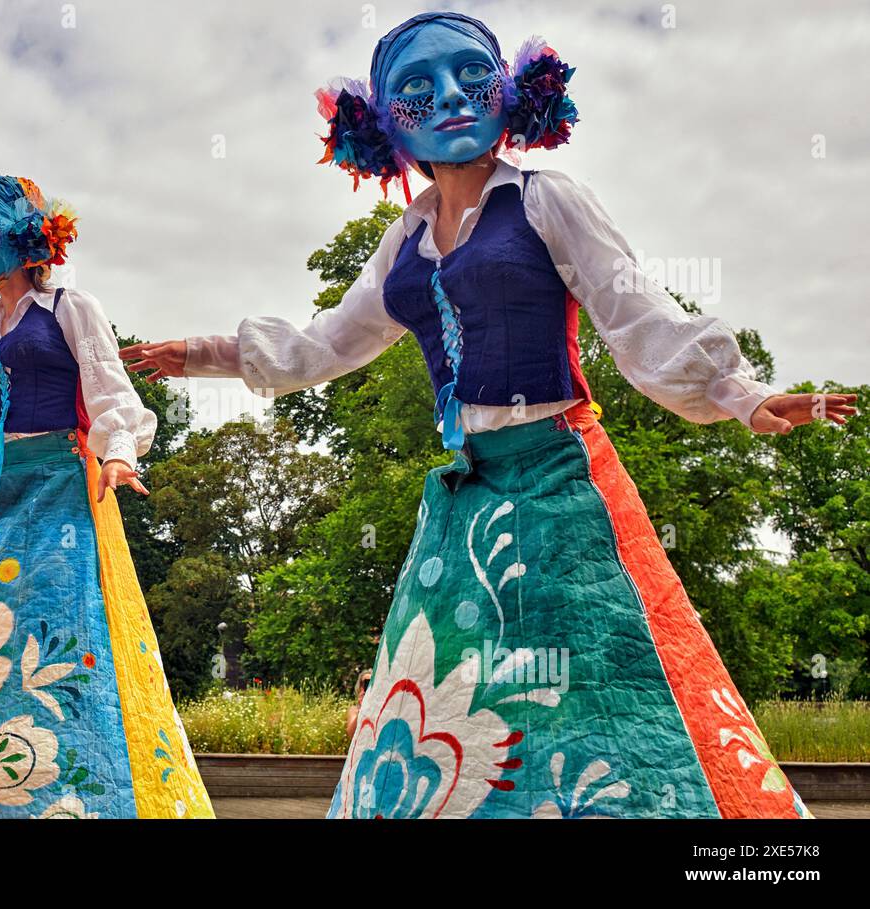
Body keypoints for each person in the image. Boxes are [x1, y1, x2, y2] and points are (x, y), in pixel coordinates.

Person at [121, 12, 856, 818]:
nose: (448, 98)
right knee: (454, 697)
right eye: (415, 90)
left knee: (595, 679)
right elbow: (323, 343)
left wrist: (742, 395)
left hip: (561, 479)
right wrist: (202, 353)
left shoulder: (546, 200)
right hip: (466, 498)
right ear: (384, 128)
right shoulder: (403, 240)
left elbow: (636, 311)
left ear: (511, 89)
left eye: (469, 75)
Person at [0, 175, 213, 818]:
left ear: (27, 236)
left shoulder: (68, 307)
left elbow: (110, 388)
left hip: (62, 485)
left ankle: (72, 789)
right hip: (7, 493)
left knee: (59, 624)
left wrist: (117, 452)